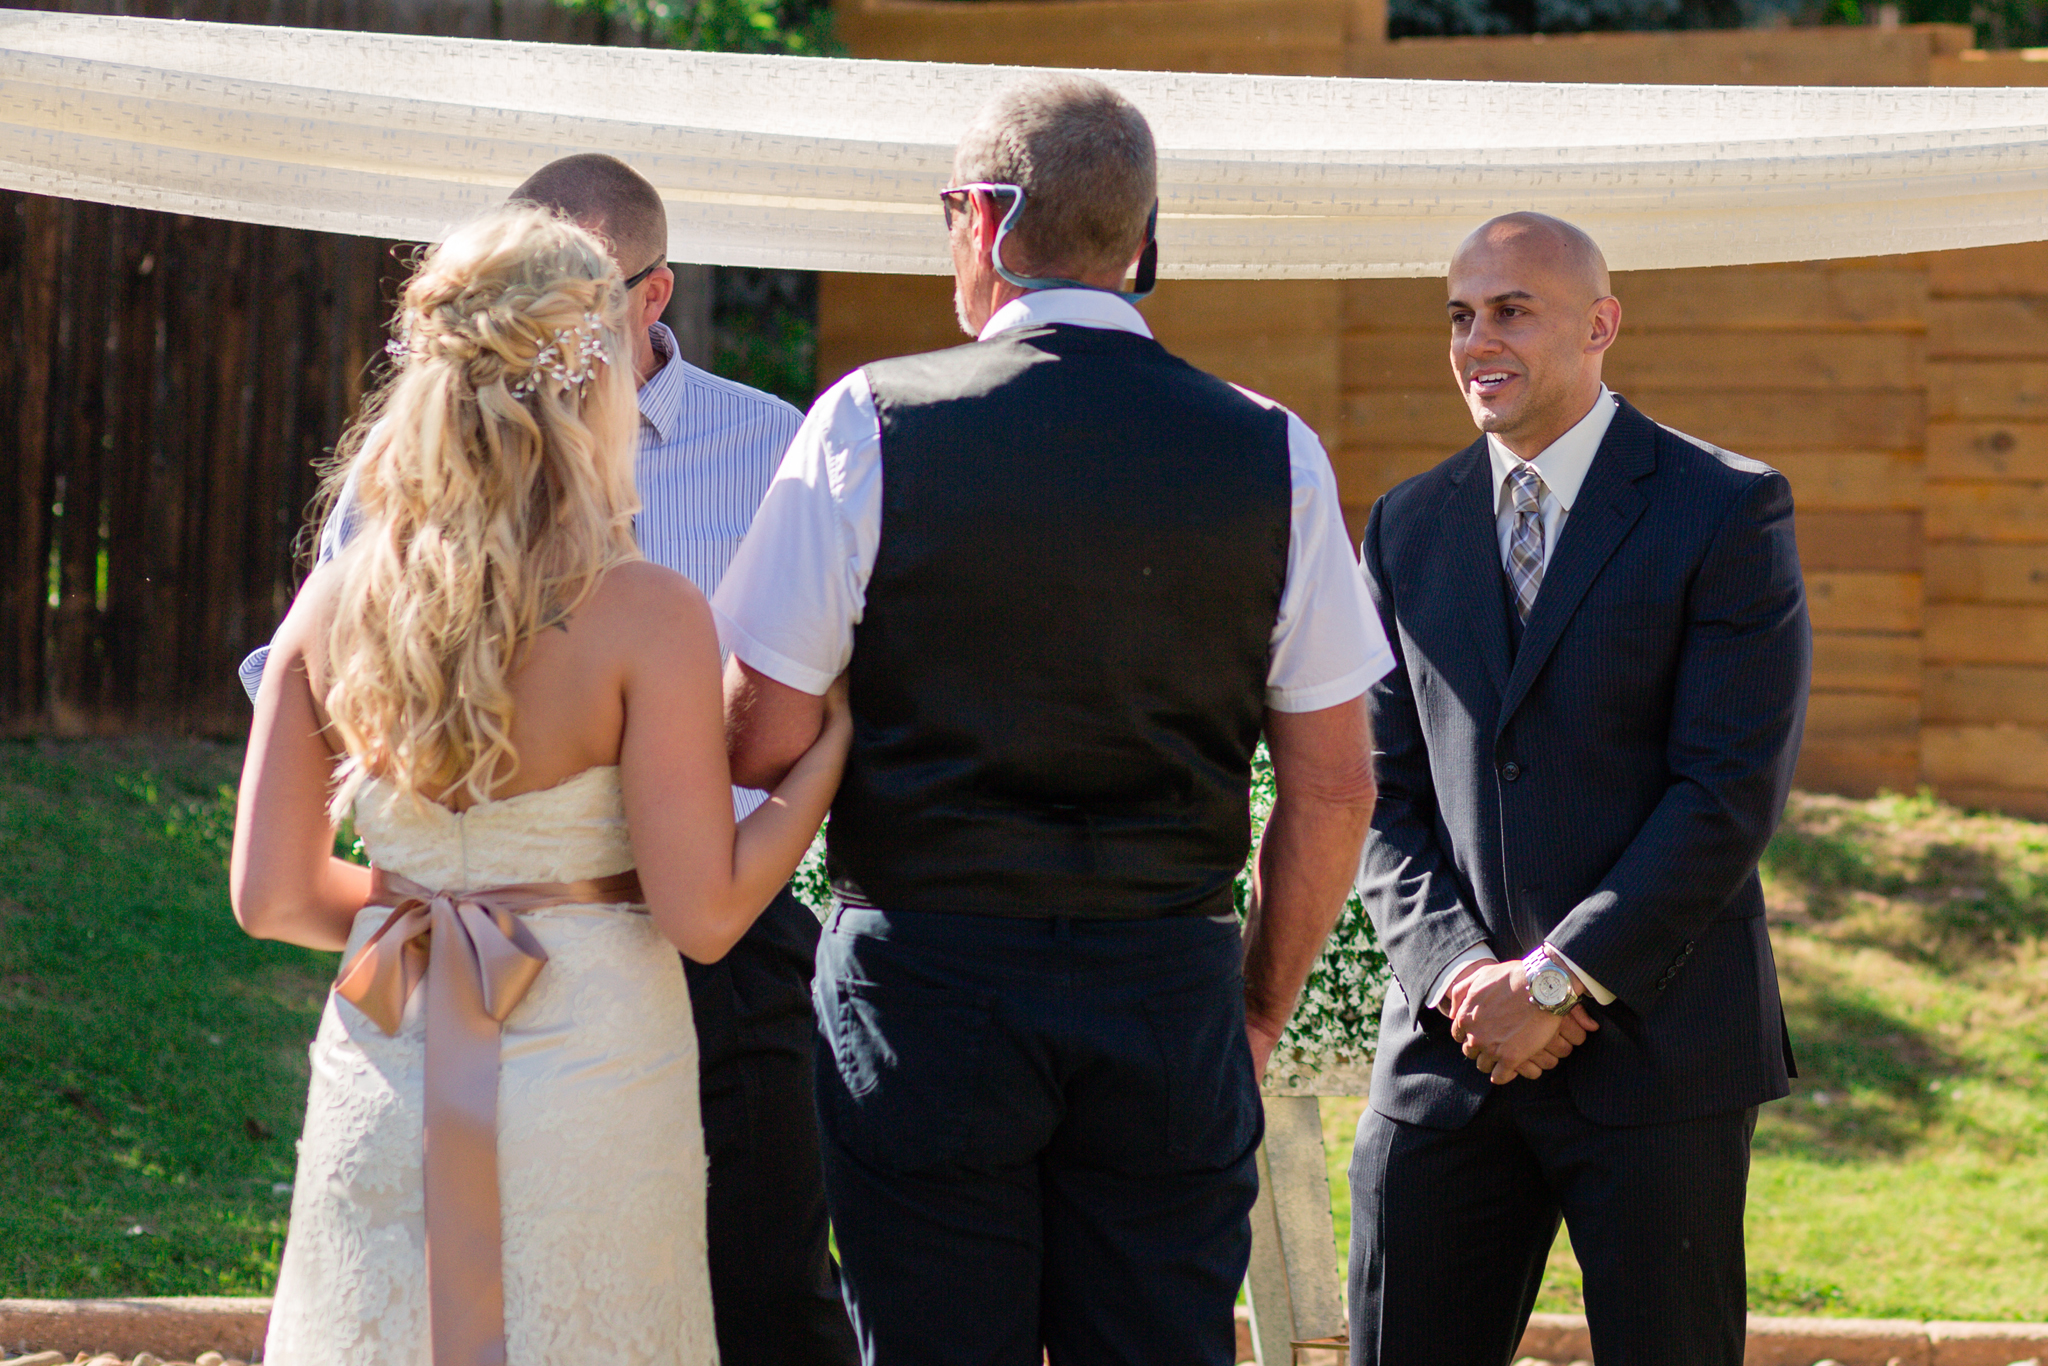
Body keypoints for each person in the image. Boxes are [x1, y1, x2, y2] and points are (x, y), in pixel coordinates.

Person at [713, 74, 1392, 1366]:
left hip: (926, 978)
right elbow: (1336, 786)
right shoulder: (1274, 450)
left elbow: (757, 736)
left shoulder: (872, 420)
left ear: (981, 216)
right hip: (1164, 982)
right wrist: (1252, 1008)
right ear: (1142, 239)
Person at [239, 154, 861, 1366]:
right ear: (593, 385)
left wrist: (440, 913)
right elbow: (704, 914)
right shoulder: (643, 613)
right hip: (592, 1060)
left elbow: (270, 895)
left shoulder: (333, 602)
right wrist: (819, 762)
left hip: (392, 1043)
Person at [1346, 211, 1810, 1366]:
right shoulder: (1406, 524)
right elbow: (1377, 795)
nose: (1474, 340)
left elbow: (1725, 792)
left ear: (1600, 324)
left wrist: (1556, 982)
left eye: (1510, 310)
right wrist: (1464, 979)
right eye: (1458, 315)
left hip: (1655, 1052)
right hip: (1447, 1055)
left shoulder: (1724, 507)